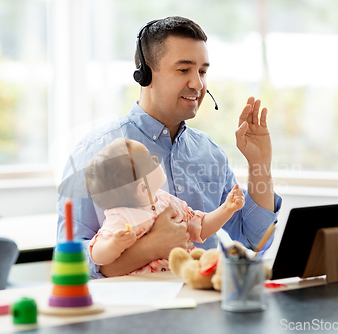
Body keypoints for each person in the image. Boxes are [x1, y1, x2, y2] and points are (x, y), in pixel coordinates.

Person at [57, 16, 282, 279]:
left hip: (204, 308)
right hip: (133, 313)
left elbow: (256, 239)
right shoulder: (94, 153)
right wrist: (148, 248)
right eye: (184, 70)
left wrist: (260, 164)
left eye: (202, 71)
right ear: (146, 75)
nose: (198, 84)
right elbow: (69, 262)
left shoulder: (209, 153)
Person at [86, 138, 245, 274]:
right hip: (145, 288)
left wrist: (227, 208)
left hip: (179, 278)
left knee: (213, 260)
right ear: (143, 188)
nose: (157, 159)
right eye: (150, 160)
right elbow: (96, 253)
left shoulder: (166, 201)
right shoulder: (122, 217)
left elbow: (200, 226)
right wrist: (113, 245)